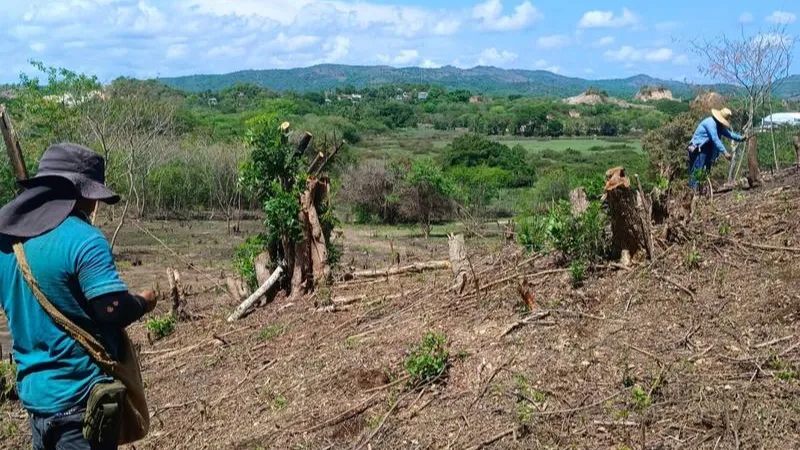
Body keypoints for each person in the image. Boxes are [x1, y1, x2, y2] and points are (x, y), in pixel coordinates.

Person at [0, 143, 157, 450]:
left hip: (35, 401)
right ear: (82, 192)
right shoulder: (84, 240)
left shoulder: (7, 245)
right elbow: (111, 309)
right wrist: (144, 300)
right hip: (82, 405)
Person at [687, 107, 747, 189]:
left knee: (706, 170)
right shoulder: (710, 123)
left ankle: (702, 190)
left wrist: (740, 138)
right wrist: (725, 152)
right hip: (698, 148)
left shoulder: (719, 126)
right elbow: (715, 139)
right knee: (697, 170)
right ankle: (693, 191)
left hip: (706, 148)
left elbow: (729, 134)